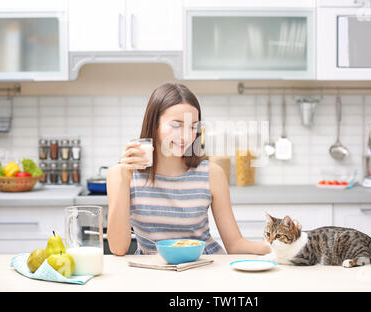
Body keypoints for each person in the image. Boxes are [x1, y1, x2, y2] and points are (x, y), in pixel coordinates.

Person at [107, 82, 271, 256]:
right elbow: (118, 248)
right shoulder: (120, 175)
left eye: (193, 126)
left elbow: (236, 245)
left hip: (204, 270)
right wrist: (124, 179)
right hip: (152, 274)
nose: (186, 136)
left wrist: (288, 244)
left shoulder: (211, 174)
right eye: (176, 125)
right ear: (154, 124)